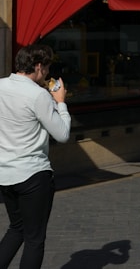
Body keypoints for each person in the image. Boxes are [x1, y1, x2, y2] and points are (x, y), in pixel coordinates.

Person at [0, 44, 71, 269]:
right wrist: (60, 103)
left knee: (16, 229)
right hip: (32, 174)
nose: (48, 73)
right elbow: (62, 134)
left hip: (4, 173)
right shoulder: (38, 95)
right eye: (47, 68)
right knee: (34, 239)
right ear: (39, 66)